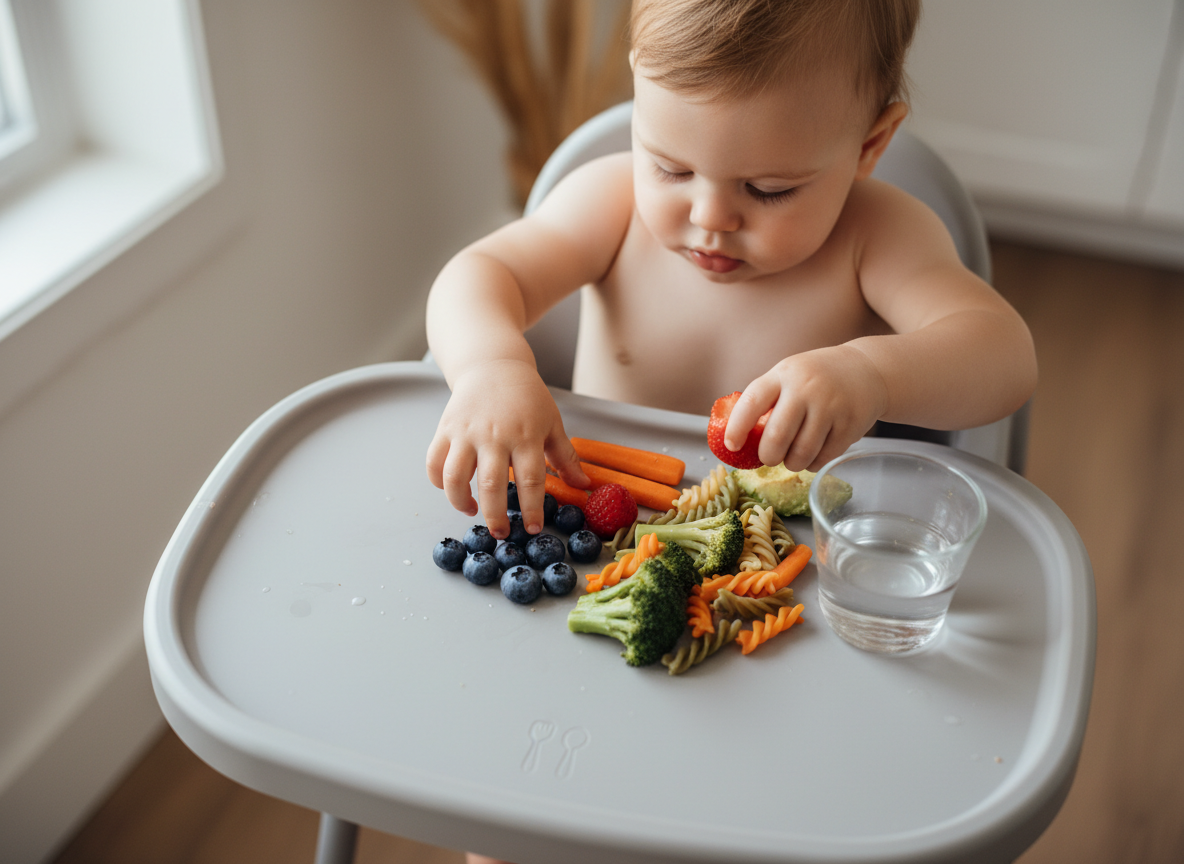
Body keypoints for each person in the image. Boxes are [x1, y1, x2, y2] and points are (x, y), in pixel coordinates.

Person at [426, 0, 1035, 547]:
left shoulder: (877, 235)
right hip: (591, 528)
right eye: (671, 169)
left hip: (788, 555)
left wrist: (871, 374)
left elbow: (1004, 354)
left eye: (768, 190)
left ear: (870, 145)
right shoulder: (609, 205)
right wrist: (490, 367)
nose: (709, 218)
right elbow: (480, 273)